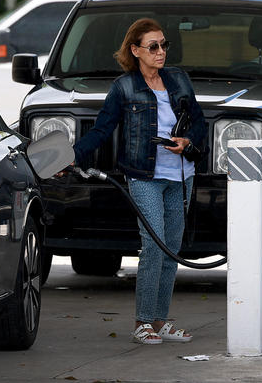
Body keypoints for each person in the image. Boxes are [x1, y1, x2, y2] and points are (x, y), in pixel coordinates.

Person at [72, 18, 207, 345]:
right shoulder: (124, 87)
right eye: (153, 47)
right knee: (154, 246)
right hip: (144, 176)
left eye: (164, 45)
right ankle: (142, 321)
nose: (161, 52)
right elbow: (103, 129)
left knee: (171, 249)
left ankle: (161, 320)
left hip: (180, 176)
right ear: (135, 50)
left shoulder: (178, 80)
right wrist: (73, 154)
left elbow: (199, 122)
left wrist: (187, 141)